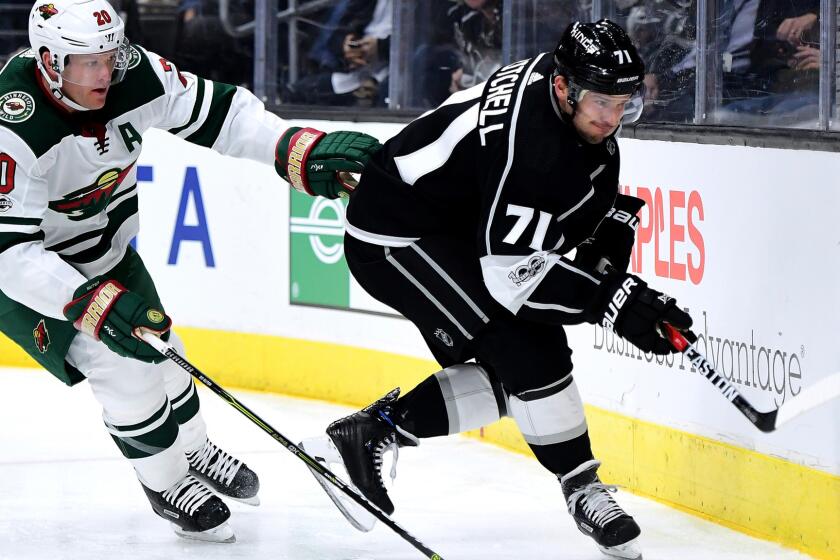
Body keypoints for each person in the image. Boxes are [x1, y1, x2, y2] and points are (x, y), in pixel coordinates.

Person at [303, 20, 692, 560]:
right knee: (528, 350)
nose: (611, 117)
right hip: (397, 237)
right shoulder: (527, 145)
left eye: (622, 101)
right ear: (564, 88)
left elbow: (559, 229)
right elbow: (513, 281)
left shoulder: (564, 110)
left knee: (528, 366)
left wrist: (609, 262)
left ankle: (373, 433)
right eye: (600, 101)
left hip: (454, 225)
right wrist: (612, 301)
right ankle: (579, 487)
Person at [0, 0, 380, 543]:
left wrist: (293, 148)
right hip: (24, 274)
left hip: (105, 250)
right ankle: (166, 482)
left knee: (165, 350)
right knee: (127, 371)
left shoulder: (134, 74)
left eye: (109, 55)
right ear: (48, 60)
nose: (105, 73)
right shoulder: (14, 125)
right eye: (87, 62)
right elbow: (9, 254)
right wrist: (93, 304)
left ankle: (194, 448)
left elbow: (223, 115)